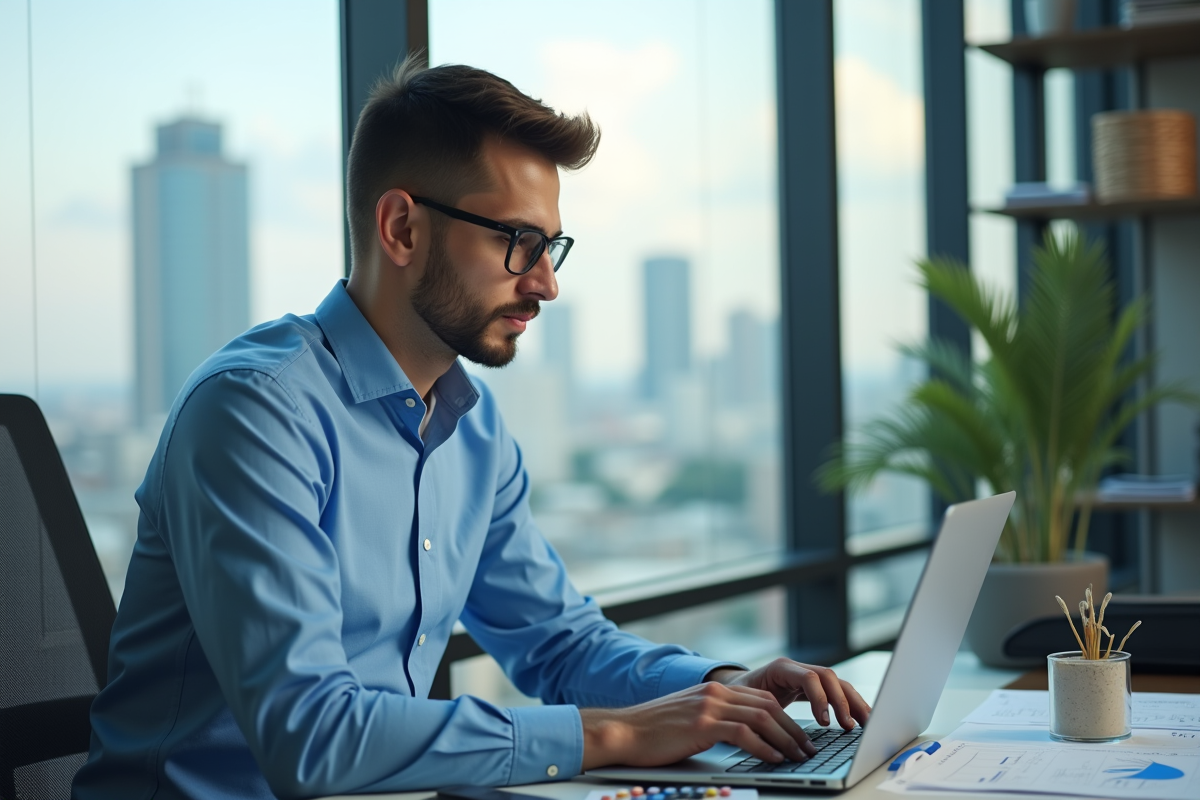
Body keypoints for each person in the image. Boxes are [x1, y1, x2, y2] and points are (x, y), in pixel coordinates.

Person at [72, 57, 870, 800]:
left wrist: (720, 686)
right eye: (517, 241)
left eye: (551, 245)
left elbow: (559, 645)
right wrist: (621, 733)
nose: (547, 283)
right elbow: (309, 735)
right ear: (403, 230)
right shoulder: (255, 411)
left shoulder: (473, 427)